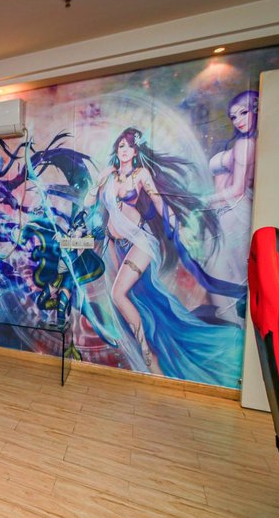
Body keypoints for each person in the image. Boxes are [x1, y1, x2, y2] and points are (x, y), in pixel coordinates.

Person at [85, 127, 244, 386]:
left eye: (129, 146)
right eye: (121, 146)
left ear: (136, 151)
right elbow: (88, 204)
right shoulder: (110, 177)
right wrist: (99, 180)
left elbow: (159, 203)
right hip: (116, 246)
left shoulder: (141, 174)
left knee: (118, 294)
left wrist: (178, 228)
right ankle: (157, 351)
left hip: (140, 243)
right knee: (138, 302)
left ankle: (149, 356)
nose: (124, 150)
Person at [205, 90, 258, 321]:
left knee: (227, 268)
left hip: (233, 211)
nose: (238, 120)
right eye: (234, 116)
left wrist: (204, 200)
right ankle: (234, 321)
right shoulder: (245, 142)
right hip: (229, 210)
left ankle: (233, 321)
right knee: (228, 267)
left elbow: (237, 189)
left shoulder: (246, 144)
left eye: (244, 113)